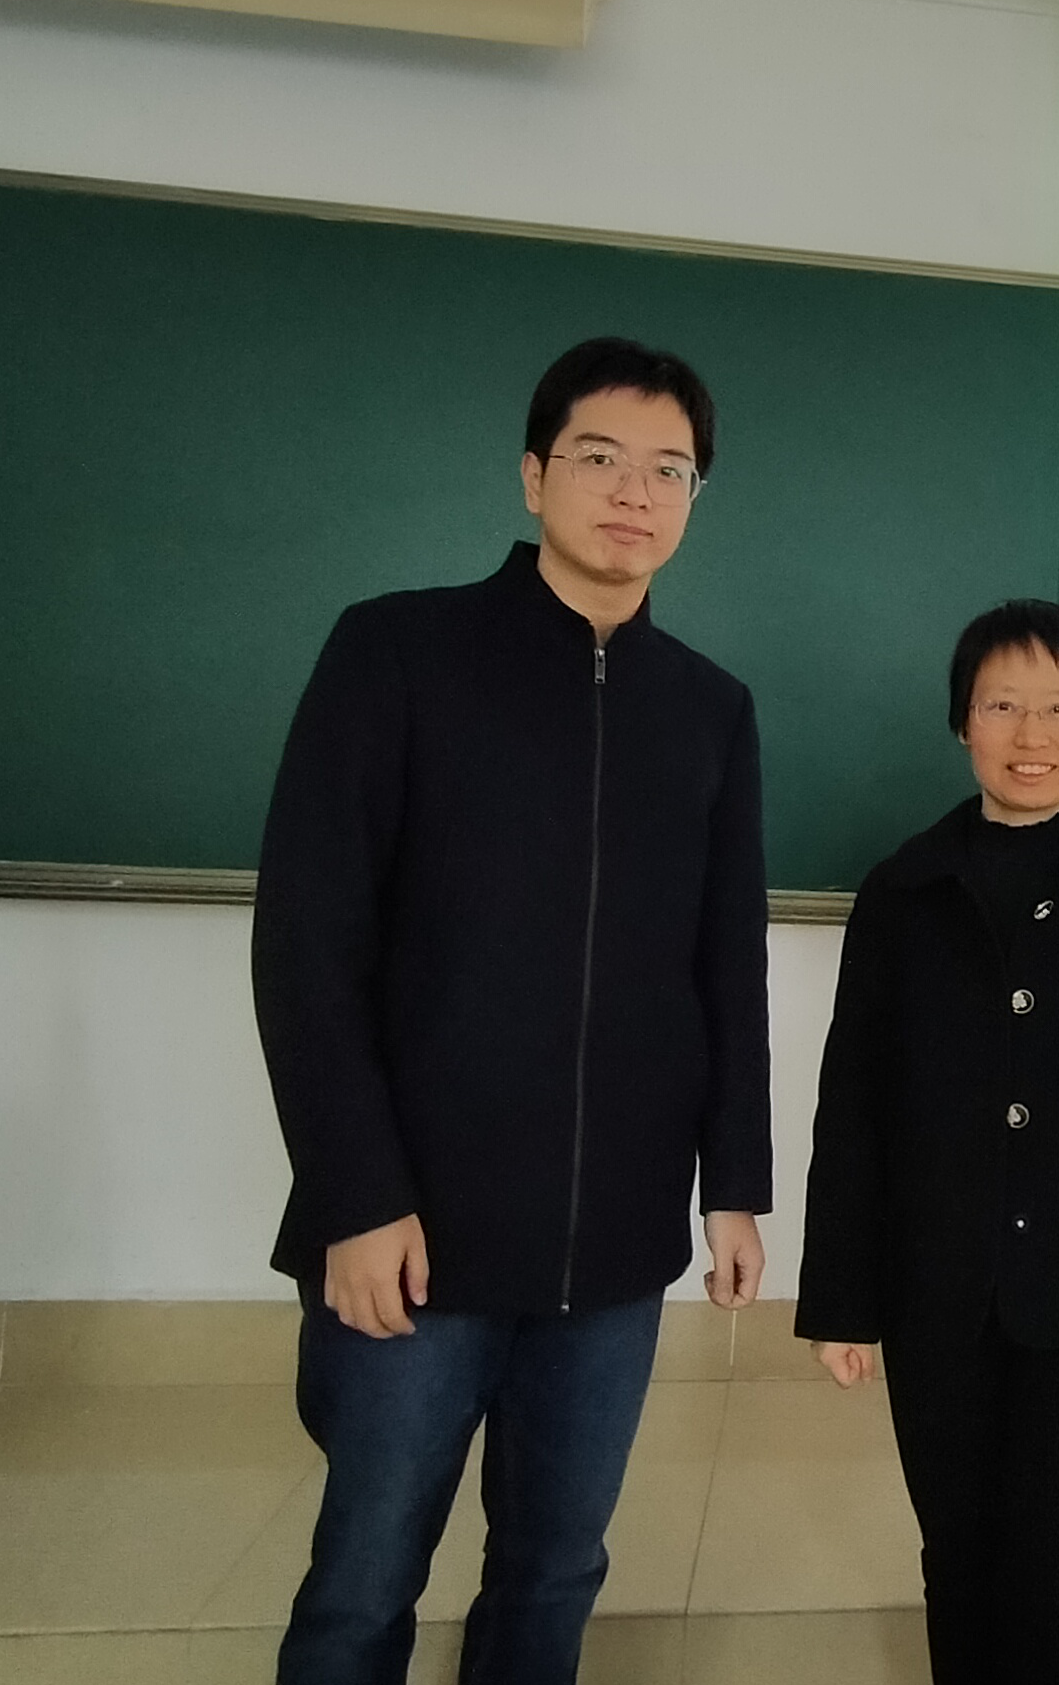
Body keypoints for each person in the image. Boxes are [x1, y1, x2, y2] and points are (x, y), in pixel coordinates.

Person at [252, 336, 772, 1685]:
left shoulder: (710, 711)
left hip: (615, 1245)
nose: (635, 492)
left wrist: (735, 1185)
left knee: (555, 1572)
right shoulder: (396, 652)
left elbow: (727, 967)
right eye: (601, 458)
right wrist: (355, 1196)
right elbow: (307, 948)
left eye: (670, 470)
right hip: (414, 1233)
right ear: (535, 475)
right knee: (365, 1579)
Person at [797, 599, 1059, 1685]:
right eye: (1002, 706)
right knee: (957, 1560)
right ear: (963, 723)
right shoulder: (903, 892)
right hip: (936, 1295)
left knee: (1053, 1573)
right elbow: (854, 1106)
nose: (1031, 735)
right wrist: (841, 1297)